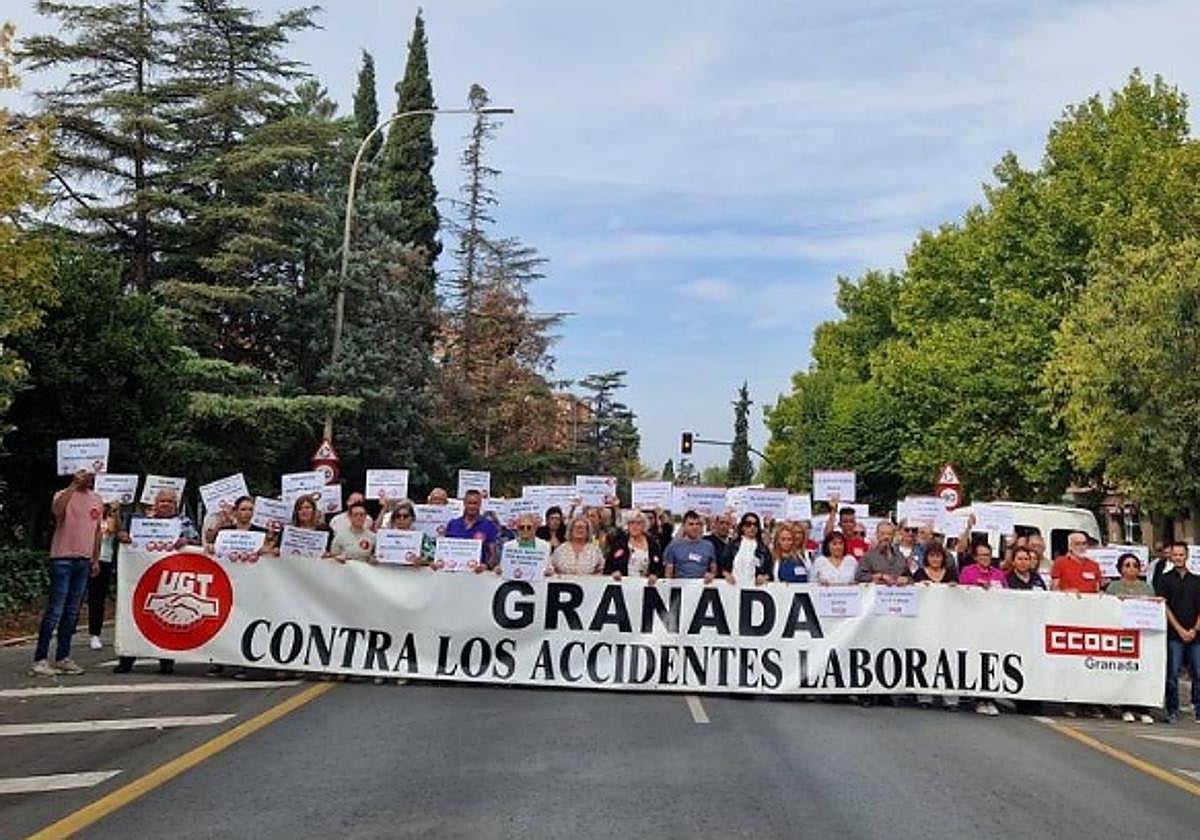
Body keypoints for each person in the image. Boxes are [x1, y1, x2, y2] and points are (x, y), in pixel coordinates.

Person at [114, 489, 199, 675]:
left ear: (175, 505)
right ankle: (127, 658)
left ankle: (166, 660)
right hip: (141, 577)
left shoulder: (183, 522)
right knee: (135, 614)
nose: (166, 504)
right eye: (162, 501)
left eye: (170, 501)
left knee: (166, 616)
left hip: (170, 578)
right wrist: (124, 537)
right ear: (155, 503)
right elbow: (126, 536)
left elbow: (196, 540)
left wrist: (186, 540)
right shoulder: (142, 522)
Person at [31, 470, 104, 677]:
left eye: (89, 474)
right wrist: (73, 486)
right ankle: (40, 658)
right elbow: (57, 511)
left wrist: (95, 558)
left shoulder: (97, 499)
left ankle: (63, 656)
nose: (86, 477)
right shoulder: (62, 494)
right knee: (55, 609)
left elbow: (97, 531)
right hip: (62, 557)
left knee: (72, 612)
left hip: (84, 559)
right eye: (82, 474)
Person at [1103, 552, 1156, 724]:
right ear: (1120, 569)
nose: (1131, 568)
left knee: (1143, 672)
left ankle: (1143, 708)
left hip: (1143, 635)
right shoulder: (1113, 586)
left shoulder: (1146, 587)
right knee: (1126, 670)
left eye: (1134, 565)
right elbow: (1107, 607)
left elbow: (1153, 605)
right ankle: (1125, 708)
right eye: (1127, 565)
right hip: (1122, 633)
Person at [1155, 542, 1200, 724]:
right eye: (1175, 555)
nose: (1178, 558)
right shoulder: (1164, 580)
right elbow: (1164, 606)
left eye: (1182, 555)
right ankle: (1172, 709)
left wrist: (1194, 629)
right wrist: (1180, 630)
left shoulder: (1197, 580)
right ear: (1170, 557)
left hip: (1196, 634)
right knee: (1172, 674)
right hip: (1174, 634)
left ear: (1187, 556)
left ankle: (1198, 708)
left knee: (1198, 673)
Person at [86, 502, 123, 651]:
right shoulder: (88, 517)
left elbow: (117, 531)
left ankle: (95, 634)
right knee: (78, 598)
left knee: (98, 599)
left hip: (104, 561)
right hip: (85, 559)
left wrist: (115, 512)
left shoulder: (111, 519)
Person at [445, 489, 499, 569]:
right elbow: (444, 550)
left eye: (475, 503)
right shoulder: (453, 524)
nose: (472, 506)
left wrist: (486, 566)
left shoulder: (488, 525)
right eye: (469, 503)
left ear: (480, 504)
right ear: (464, 503)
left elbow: (493, 555)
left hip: (478, 574)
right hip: (453, 572)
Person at [604, 511, 663, 581]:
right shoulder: (619, 544)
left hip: (647, 586)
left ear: (644, 526)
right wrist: (614, 573)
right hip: (622, 585)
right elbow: (608, 567)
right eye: (631, 523)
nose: (634, 526)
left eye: (638, 523)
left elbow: (660, 568)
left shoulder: (653, 544)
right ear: (627, 525)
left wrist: (655, 575)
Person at [718, 512, 773, 586]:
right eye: (748, 524)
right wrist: (726, 574)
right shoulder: (732, 545)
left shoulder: (763, 549)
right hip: (732, 586)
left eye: (755, 524)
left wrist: (764, 577)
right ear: (742, 527)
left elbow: (769, 571)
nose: (752, 527)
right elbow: (721, 565)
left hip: (754, 589)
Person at [663, 510, 717, 581]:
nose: (694, 527)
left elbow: (714, 570)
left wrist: (711, 575)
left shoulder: (709, 546)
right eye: (691, 524)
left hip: (702, 588)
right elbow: (668, 574)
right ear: (684, 526)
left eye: (697, 524)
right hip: (680, 588)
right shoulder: (674, 546)